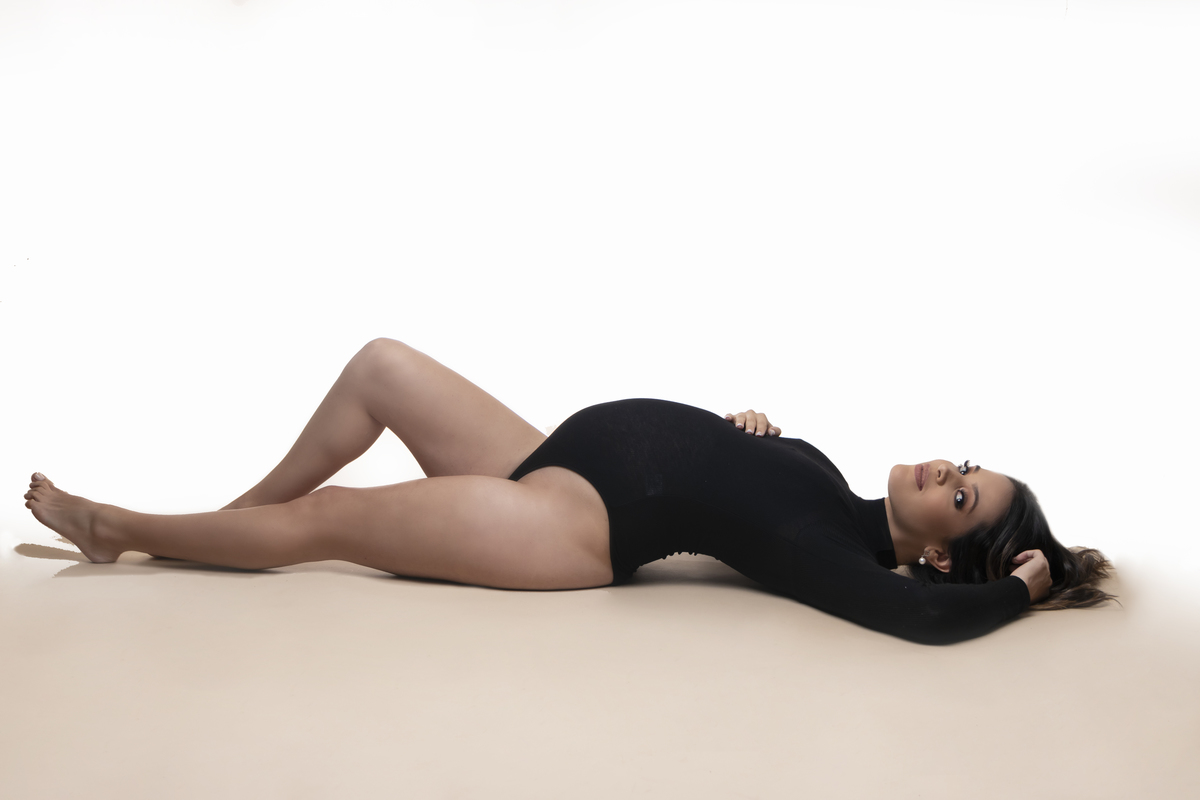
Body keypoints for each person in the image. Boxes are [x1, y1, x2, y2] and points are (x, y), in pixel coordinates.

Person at [24, 338, 1113, 644]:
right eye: (965, 465)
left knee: (335, 520)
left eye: (961, 499)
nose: (946, 473)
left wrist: (1020, 588)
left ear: (940, 552)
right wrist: (744, 430)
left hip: (568, 526)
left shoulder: (841, 556)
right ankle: (229, 521)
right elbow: (727, 478)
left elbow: (922, 620)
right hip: (551, 455)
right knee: (380, 366)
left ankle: (115, 527)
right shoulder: (828, 481)